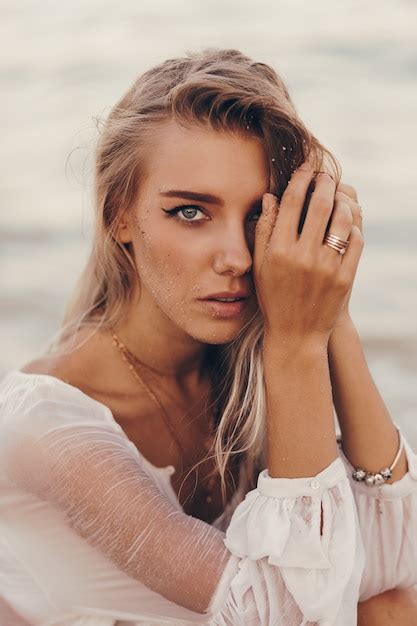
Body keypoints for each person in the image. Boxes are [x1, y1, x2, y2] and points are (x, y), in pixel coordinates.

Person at [0, 47, 416, 626]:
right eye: (192, 213)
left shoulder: (240, 366)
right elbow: (293, 615)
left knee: (393, 609)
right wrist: (297, 342)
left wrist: (328, 310)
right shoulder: (46, 425)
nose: (239, 258)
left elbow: (392, 564)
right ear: (119, 215)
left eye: (257, 217)